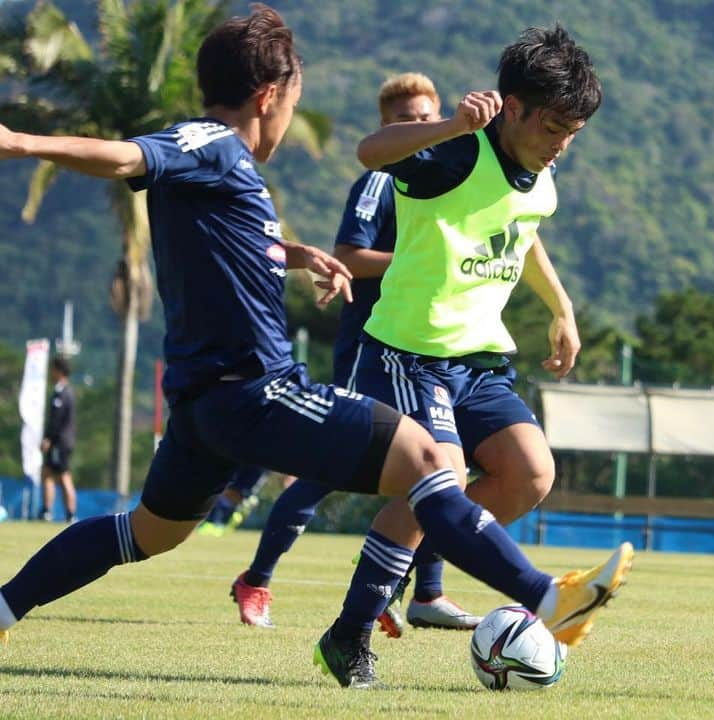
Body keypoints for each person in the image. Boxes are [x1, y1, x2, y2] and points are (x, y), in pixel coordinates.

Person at [0, 5, 633, 690]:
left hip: (204, 404)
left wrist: (294, 254)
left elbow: (228, 245)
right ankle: (544, 597)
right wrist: (22, 143)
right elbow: (133, 154)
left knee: (145, 534)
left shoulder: (228, 167)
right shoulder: (210, 142)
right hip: (258, 390)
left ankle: (3, 607)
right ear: (271, 97)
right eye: (294, 99)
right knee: (426, 461)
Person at [326, 23, 599, 680]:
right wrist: (447, 124)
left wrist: (559, 307)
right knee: (439, 480)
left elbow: (522, 232)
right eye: (554, 126)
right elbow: (370, 150)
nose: (561, 142)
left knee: (530, 474)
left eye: (573, 132)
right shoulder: (454, 154)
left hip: (477, 360)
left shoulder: (540, 169)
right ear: (514, 108)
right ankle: (362, 630)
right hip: (409, 353)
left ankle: (381, 590)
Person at [231, 72, 481, 635]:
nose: (417, 128)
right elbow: (350, 252)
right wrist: (422, 265)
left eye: (424, 118)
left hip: (426, 349)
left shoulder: (444, 175)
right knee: (325, 471)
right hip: (374, 347)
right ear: (384, 127)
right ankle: (258, 578)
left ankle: (424, 592)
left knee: (447, 463)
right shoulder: (382, 179)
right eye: (403, 122)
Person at [39, 356, 77, 523]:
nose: (51, 373)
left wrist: (48, 438)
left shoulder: (61, 393)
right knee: (50, 473)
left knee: (61, 475)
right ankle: (53, 511)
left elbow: (56, 419)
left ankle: (61, 512)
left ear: (59, 371)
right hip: (64, 442)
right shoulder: (67, 391)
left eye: (53, 369)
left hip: (59, 442)